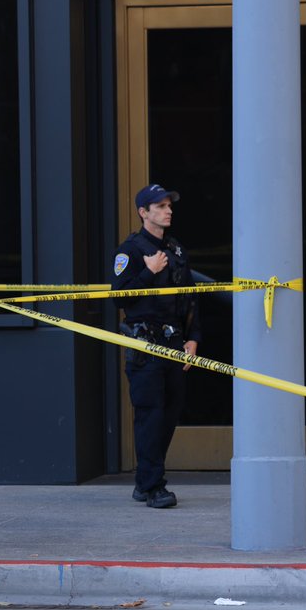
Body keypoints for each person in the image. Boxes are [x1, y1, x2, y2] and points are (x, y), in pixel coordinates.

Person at [111, 184, 201, 508]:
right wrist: (148, 273)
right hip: (144, 342)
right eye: (160, 206)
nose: (168, 210)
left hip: (175, 342)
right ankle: (153, 487)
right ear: (143, 213)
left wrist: (193, 339)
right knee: (150, 414)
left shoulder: (176, 250)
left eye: (168, 205)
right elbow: (119, 297)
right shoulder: (131, 251)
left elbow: (190, 298)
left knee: (170, 413)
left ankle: (145, 480)